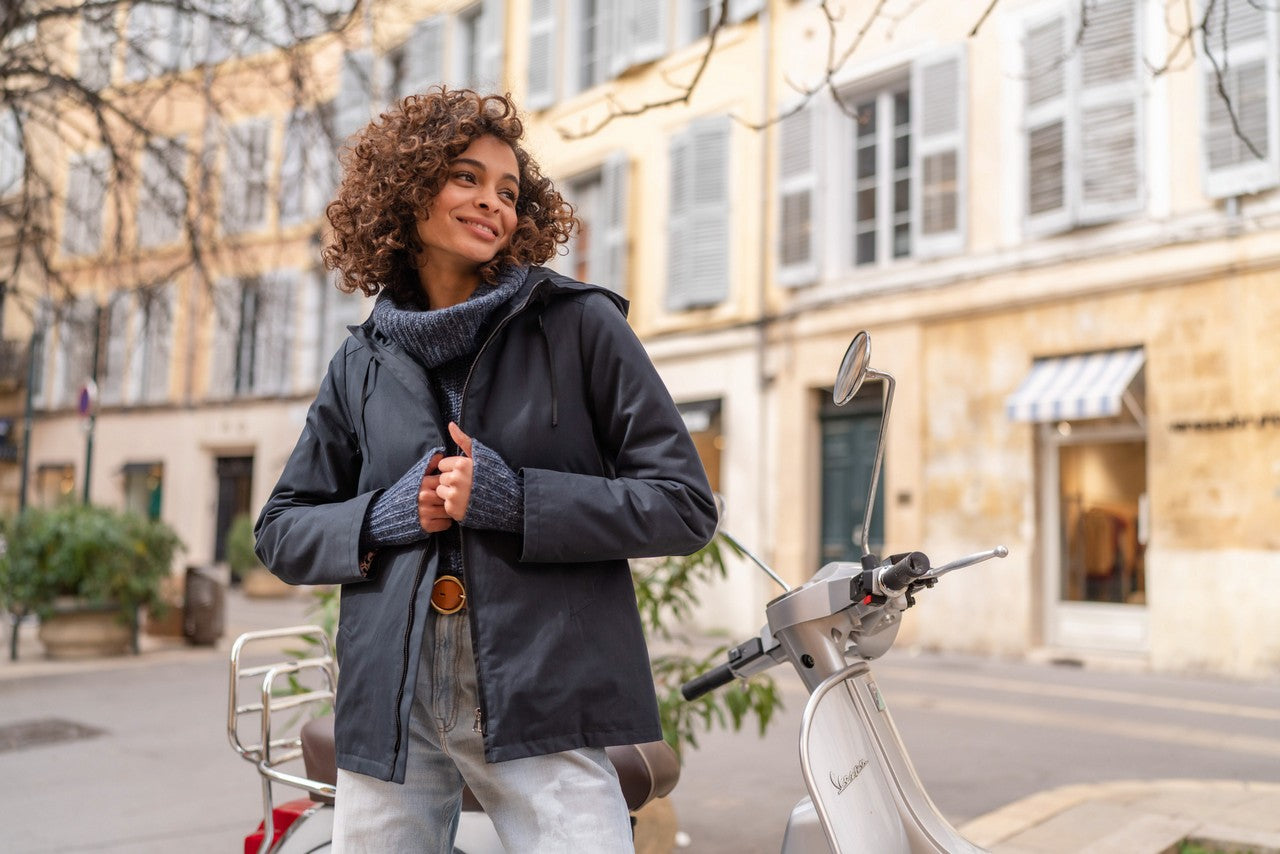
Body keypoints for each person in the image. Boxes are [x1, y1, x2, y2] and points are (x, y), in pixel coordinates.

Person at [253, 87, 717, 852]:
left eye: (508, 190)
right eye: (465, 177)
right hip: (388, 705)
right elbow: (281, 530)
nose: (492, 203)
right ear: (406, 194)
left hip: (543, 689)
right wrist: (382, 516)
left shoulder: (580, 326)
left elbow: (683, 504)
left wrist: (517, 500)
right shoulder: (361, 361)